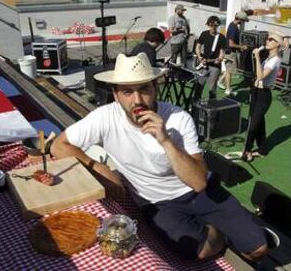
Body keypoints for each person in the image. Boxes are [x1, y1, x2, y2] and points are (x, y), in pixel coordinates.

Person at [51, 53, 270, 261]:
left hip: (201, 193)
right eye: (127, 92)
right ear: (116, 94)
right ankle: (217, 233)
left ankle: (224, 228)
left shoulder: (178, 118)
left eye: (144, 89)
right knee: (198, 251)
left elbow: (198, 182)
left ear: (156, 87)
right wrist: (97, 167)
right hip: (159, 203)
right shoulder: (104, 117)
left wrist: (166, 141)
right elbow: (59, 145)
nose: (138, 100)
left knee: (258, 250)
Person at [241, 31, 284, 162]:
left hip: (264, 95)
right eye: (268, 38)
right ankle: (263, 149)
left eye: (271, 40)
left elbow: (260, 76)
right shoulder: (268, 58)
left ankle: (247, 150)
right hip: (256, 92)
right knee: (259, 123)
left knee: (253, 124)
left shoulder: (275, 60)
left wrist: (257, 57)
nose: (267, 41)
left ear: (277, 45)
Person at [218, 11, 249, 96]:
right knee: (229, 72)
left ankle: (220, 81)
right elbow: (231, 44)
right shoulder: (233, 28)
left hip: (229, 52)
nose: (243, 22)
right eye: (243, 21)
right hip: (230, 53)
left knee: (228, 70)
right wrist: (241, 47)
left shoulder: (233, 26)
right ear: (240, 19)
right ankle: (228, 90)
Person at [195, 16, 226, 99]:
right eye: (211, 25)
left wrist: (219, 59)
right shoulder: (204, 34)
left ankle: (212, 106)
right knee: (199, 86)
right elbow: (198, 47)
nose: (213, 27)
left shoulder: (222, 37)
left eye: (215, 26)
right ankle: (195, 104)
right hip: (204, 65)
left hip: (215, 67)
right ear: (208, 25)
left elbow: (222, 52)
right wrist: (199, 58)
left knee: (212, 88)